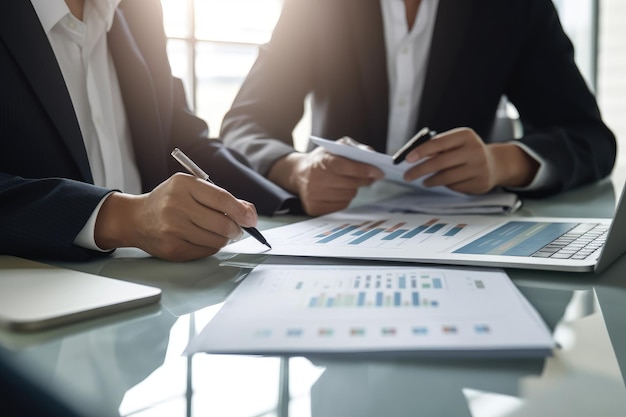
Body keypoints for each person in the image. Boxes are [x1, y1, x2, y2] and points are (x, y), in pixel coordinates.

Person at [220, 0, 617, 217]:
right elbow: (245, 123)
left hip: (462, 244)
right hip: (332, 232)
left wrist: (502, 163)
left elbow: (590, 138)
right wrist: (298, 170)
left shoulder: (514, 7)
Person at [0, 0, 296, 262]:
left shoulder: (139, 8)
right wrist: (121, 218)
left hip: (151, 289)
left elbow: (182, 139)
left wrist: (294, 187)